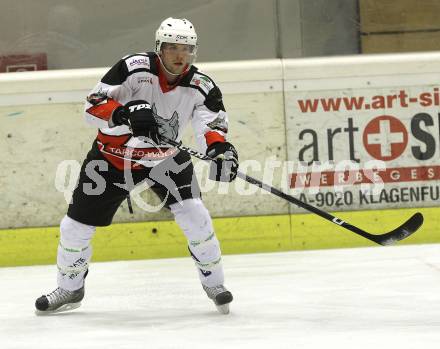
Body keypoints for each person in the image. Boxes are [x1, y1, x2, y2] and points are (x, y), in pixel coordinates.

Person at [35, 18, 238, 315]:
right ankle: (70, 287)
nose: (180, 56)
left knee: (196, 216)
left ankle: (215, 283)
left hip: (165, 159)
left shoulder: (201, 86)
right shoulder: (133, 68)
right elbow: (93, 105)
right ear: (159, 48)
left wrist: (219, 148)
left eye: (186, 49)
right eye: (172, 48)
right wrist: (123, 115)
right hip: (113, 158)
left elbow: (211, 123)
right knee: (75, 226)